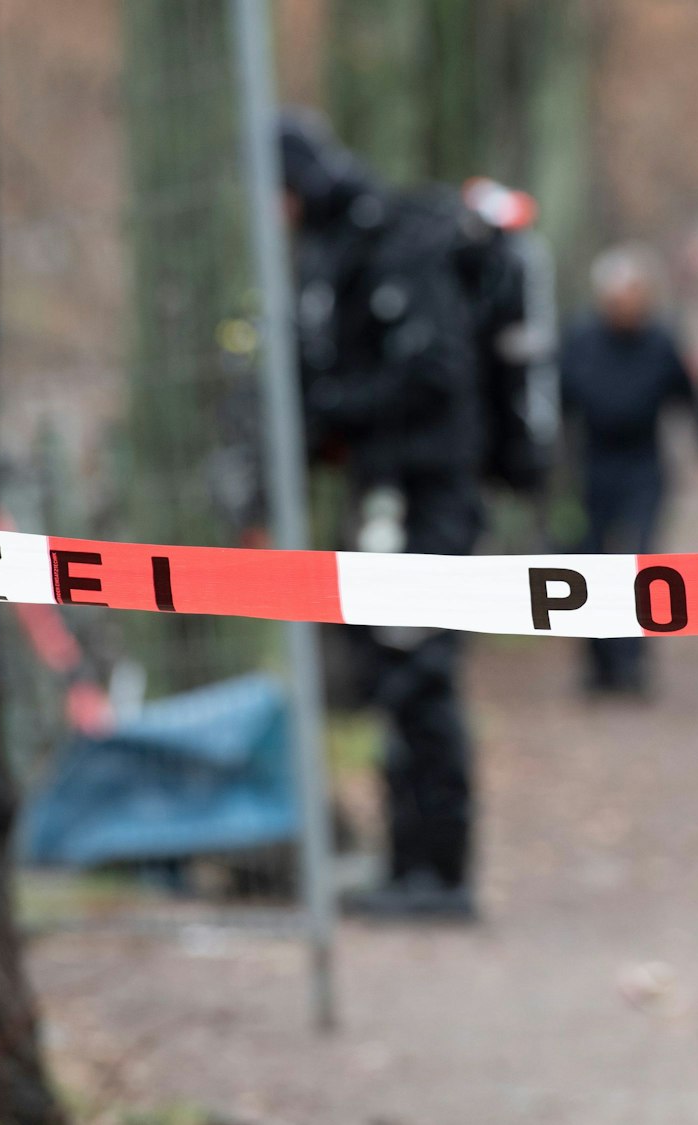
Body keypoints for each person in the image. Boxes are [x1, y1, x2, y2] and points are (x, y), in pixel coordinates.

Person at [280, 114, 484, 920]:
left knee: (421, 673)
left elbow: (434, 371)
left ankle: (440, 872)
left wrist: (332, 410)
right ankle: (409, 863)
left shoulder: (393, 247)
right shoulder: (340, 253)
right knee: (396, 678)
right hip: (389, 493)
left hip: (425, 493)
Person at [560, 247, 698, 697]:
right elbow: (560, 400)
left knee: (639, 562)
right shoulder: (581, 340)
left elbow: (689, 399)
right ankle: (599, 662)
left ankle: (631, 662)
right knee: (589, 562)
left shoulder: (661, 342)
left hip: (644, 467)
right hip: (593, 466)